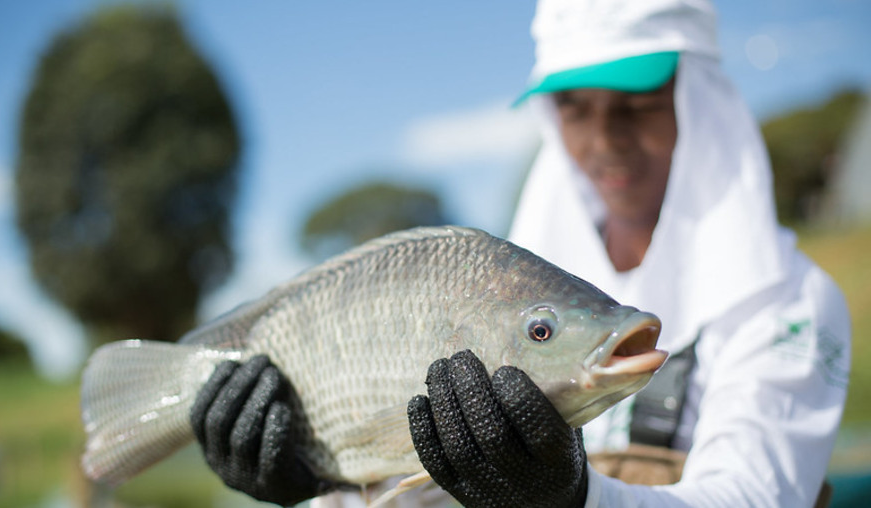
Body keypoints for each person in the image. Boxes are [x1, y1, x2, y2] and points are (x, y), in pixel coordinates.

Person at [189, 0, 852, 506]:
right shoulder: (513, 288)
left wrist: (573, 497)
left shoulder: (790, 303)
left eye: (640, 104)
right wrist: (320, 482)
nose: (604, 139)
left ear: (700, 102)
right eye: (573, 109)